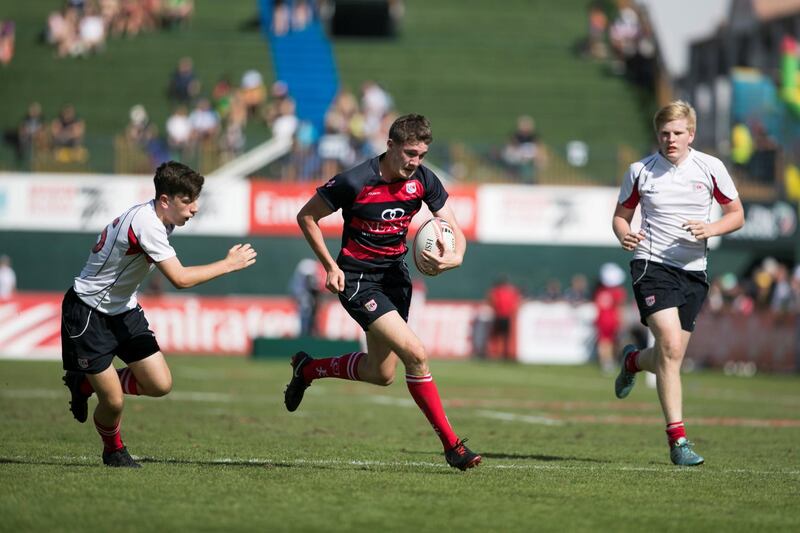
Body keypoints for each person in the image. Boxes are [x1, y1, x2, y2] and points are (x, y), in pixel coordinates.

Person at [289, 114, 481, 471]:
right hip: (359, 281)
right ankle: (452, 446)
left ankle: (307, 369)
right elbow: (306, 216)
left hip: (395, 279)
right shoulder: (354, 180)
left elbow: (454, 228)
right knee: (417, 354)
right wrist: (330, 266)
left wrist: (454, 258)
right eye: (410, 153)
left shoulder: (423, 179)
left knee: (381, 373)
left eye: (422, 154)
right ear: (390, 145)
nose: (416, 162)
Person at [60, 161, 257, 468]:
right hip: (89, 312)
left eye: (195, 199)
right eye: (187, 200)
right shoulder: (148, 224)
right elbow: (179, 279)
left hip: (123, 309)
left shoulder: (160, 218)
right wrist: (228, 264)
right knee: (112, 401)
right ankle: (113, 450)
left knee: (159, 384)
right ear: (165, 200)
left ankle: (82, 384)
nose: (195, 208)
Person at [612, 100, 744, 466]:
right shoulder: (640, 170)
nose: (670, 139)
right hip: (651, 265)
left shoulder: (710, 167)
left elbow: (737, 214)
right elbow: (621, 217)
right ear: (658, 134)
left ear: (691, 135)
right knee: (669, 344)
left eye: (677, 133)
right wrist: (624, 234)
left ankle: (634, 361)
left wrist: (712, 228)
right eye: (664, 133)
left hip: (693, 272)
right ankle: (678, 442)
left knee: (671, 356)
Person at [593, 263, 626, 374]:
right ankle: (608, 362)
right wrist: (621, 320)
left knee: (605, 342)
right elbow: (619, 307)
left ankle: (607, 362)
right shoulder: (617, 291)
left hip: (602, 319)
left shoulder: (599, 290)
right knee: (608, 342)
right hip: (612, 319)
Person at [486, 275, 522, 360]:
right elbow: (516, 301)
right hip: (506, 316)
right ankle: (504, 354)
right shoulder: (511, 291)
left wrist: (494, 307)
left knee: (497, 336)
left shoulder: (497, 291)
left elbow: (491, 299)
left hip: (499, 316)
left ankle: (497, 354)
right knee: (505, 337)